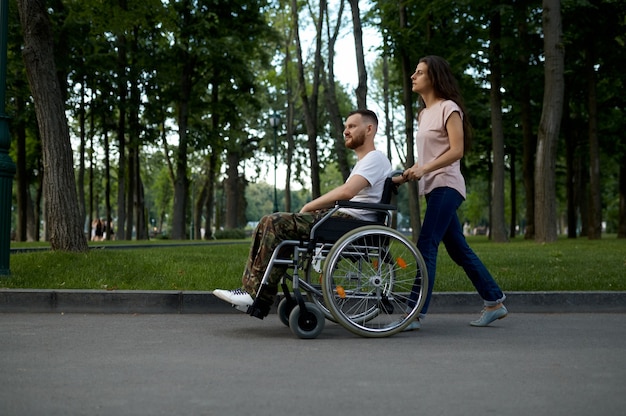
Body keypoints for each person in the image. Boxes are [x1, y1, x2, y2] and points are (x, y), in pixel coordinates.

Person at [213, 109, 392, 317]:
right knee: (272, 225)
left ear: (370, 129)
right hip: (344, 220)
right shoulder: (367, 161)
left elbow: (347, 192)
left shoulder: (375, 158)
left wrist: (310, 206)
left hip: (350, 222)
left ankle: (255, 294)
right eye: (345, 127)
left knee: (274, 222)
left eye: (352, 126)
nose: (346, 131)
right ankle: (255, 295)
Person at [397, 55, 508, 330]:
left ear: (433, 78)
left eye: (419, 72)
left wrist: (425, 169)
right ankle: (494, 301)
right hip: (433, 186)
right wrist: (411, 171)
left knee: (426, 245)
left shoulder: (449, 108)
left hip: (447, 184)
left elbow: (456, 150)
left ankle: (414, 312)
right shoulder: (423, 114)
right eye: (414, 71)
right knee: (458, 249)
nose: (413, 76)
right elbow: (430, 155)